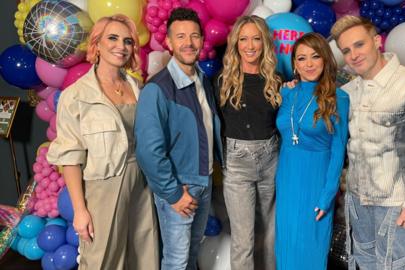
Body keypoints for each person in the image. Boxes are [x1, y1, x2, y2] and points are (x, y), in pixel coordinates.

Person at [330, 16, 405, 269]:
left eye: (359, 45)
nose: (353, 55)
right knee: (362, 261)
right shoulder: (349, 92)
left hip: (396, 202)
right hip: (358, 200)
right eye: (346, 51)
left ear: (377, 41)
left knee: (394, 265)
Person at [47, 14, 159, 269]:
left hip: (142, 183)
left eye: (128, 40)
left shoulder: (137, 87)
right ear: (96, 44)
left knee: (144, 256)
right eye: (113, 38)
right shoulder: (76, 95)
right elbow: (70, 158)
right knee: (101, 261)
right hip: (103, 187)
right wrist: (80, 210)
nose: (121, 46)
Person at [134, 8, 223, 270]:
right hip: (179, 186)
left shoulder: (202, 81)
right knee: (176, 260)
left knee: (192, 254)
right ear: (169, 43)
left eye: (195, 36)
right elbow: (149, 151)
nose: (189, 43)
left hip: (203, 180)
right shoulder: (157, 88)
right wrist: (173, 193)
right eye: (181, 36)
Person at [275, 32, 349, 270]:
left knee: (310, 252)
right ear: (294, 64)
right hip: (287, 180)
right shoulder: (287, 92)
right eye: (301, 58)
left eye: (315, 57)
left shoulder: (339, 97)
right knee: (286, 248)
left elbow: (338, 151)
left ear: (325, 59)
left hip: (316, 182)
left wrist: (327, 195)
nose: (308, 64)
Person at [214, 15, 282, 270]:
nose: (250, 45)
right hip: (237, 164)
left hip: (270, 161)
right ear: (235, 44)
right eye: (244, 39)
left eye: (256, 39)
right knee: (243, 240)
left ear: (264, 43)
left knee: (269, 235)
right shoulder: (222, 81)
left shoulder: (276, 80)